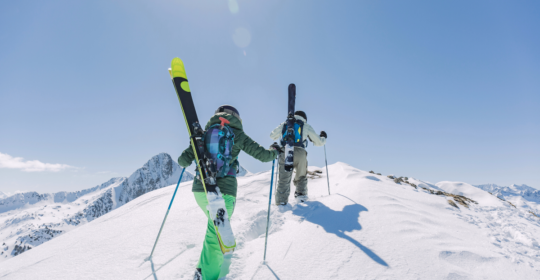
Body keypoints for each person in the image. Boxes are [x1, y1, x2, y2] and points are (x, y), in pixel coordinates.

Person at [177, 105, 279, 280]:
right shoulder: (238, 134)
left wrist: (195, 143)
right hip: (223, 193)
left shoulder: (204, 133)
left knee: (213, 230)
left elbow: (182, 161)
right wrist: (275, 151)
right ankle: (208, 277)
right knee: (216, 238)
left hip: (200, 190)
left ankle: (201, 270)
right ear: (237, 118)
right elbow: (263, 156)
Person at [270, 110, 327, 205]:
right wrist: (323, 137)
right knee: (301, 175)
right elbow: (319, 142)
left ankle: (281, 202)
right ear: (305, 118)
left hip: (286, 151)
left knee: (284, 179)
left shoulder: (285, 123)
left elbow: (272, 135)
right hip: (300, 153)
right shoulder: (305, 125)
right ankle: (301, 197)